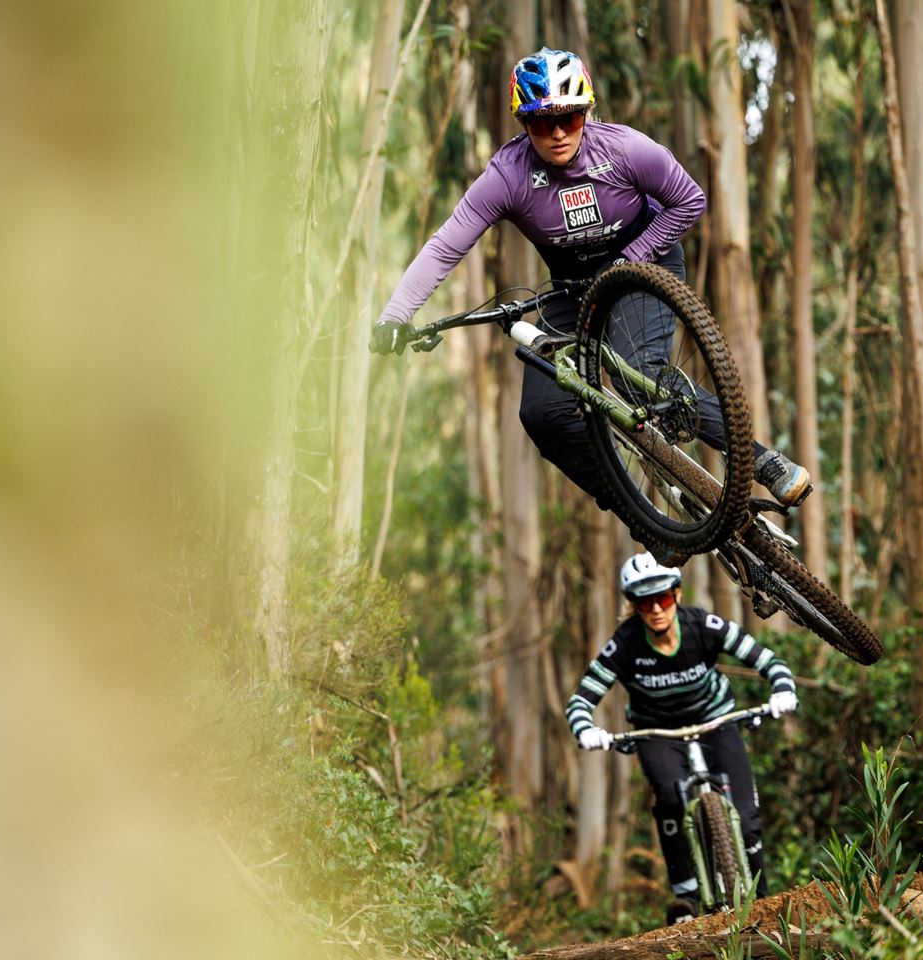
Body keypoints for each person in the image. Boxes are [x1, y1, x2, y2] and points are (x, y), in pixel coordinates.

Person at [369, 46, 812, 535]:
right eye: (541, 123)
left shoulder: (625, 150)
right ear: (523, 123)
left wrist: (631, 257)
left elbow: (689, 199)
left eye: (570, 118)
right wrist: (395, 315)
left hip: (645, 262)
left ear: (586, 113)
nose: (558, 133)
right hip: (573, 288)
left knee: (633, 376)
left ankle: (764, 462)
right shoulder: (508, 176)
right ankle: (640, 516)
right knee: (542, 414)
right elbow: (445, 245)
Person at [564, 551, 798, 924]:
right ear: (633, 606)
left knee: (747, 816)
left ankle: (762, 897)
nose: (656, 609)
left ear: (677, 594)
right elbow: (581, 700)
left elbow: (769, 660)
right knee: (672, 797)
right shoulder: (624, 645)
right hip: (657, 731)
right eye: (644, 601)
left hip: (716, 720)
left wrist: (782, 690)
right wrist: (586, 730)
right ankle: (686, 896)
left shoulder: (703, 625)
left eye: (663, 597)